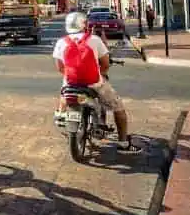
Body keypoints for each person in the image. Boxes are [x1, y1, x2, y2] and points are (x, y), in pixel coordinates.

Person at [52, 11, 139, 153]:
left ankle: (61, 114)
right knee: (118, 108)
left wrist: (71, 76)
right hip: (94, 83)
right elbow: (105, 64)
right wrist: (101, 74)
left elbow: (60, 67)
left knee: (64, 87)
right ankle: (124, 144)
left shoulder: (61, 42)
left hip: (71, 83)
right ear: (84, 24)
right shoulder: (94, 40)